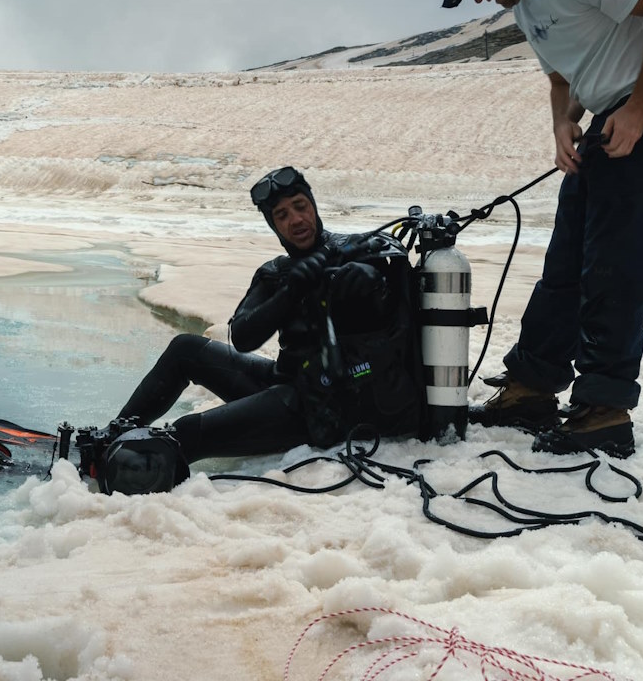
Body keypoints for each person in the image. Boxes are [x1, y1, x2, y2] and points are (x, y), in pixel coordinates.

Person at [435, 0, 643, 458]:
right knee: (566, 260)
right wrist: (562, 122)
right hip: (610, 114)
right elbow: (563, 78)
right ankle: (534, 387)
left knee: (614, 262)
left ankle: (604, 410)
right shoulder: (525, 5)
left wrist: (639, 108)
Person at [107, 166, 424, 478]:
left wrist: (371, 281)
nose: (295, 220)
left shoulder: (360, 251)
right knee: (185, 348)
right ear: (273, 225)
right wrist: (290, 292)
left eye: (300, 207)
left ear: (312, 205)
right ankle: (111, 439)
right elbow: (242, 337)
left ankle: (119, 476)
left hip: (331, 409)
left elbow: (393, 281)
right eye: (282, 215)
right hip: (286, 384)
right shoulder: (275, 273)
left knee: (188, 431)